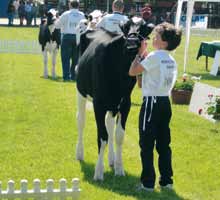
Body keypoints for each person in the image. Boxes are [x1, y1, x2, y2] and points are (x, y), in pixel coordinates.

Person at [129, 22, 182, 191]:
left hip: (152, 102)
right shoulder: (171, 59)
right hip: (165, 102)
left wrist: (139, 54)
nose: (153, 38)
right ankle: (166, 180)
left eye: (157, 36)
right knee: (163, 144)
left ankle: (147, 183)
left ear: (164, 42)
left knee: (146, 144)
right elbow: (141, 82)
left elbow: (132, 71)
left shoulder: (154, 56)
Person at [55, 0, 85, 81]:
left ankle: (66, 77)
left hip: (66, 36)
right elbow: (84, 27)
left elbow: (57, 26)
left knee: (65, 58)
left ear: (70, 5)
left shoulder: (66, 14)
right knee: (75, 58)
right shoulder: (82, 15)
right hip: (77, 37)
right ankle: (74, 76)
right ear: (78, 6)